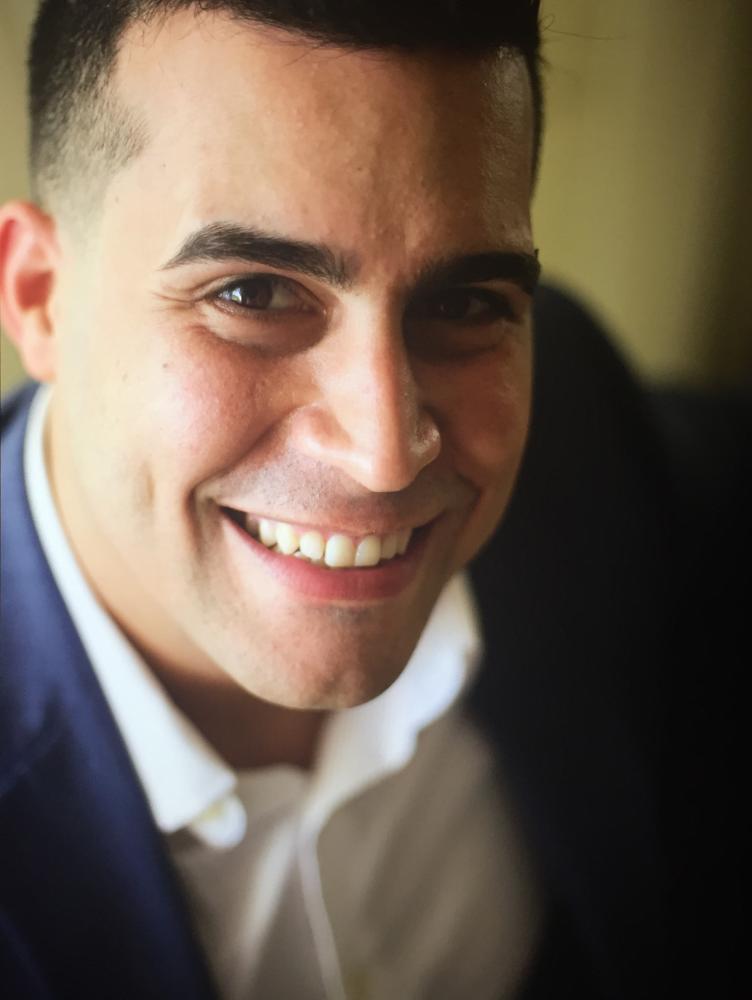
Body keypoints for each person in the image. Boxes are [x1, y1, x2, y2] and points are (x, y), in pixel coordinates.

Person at [3, 2, 742, 998]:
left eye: (462, 304)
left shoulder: (590, 431)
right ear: (40, 295)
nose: (386, 452)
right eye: (254, 294)